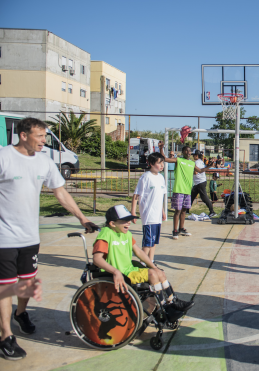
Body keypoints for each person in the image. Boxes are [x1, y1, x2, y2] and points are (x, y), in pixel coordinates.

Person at [0, 117, 97, 360]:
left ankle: (20, 314)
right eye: (40, 136)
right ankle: (5, 336)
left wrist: (82, 218)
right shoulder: (4, 157)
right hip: (4, 237)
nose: (45, 141)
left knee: (27, 281)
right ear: (24, 136)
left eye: (45, 136)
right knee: (5, 286)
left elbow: (60, 192)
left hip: (30, 236)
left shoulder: (44, 161)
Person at [93, 205, 194, 316]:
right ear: (112, 223)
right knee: (152, 274)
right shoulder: (106, 234)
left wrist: (154, 266)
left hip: (129, 270)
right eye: (125, 221)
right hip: (117, 274)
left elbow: (139, 252)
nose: (129, 222)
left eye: (129, 220)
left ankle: (173, 301)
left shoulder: (127, 234)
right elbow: (97, 259)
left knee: (159, 272)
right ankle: (164, 309)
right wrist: (116, 272)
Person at [162, 146, 211, 240]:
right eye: (186, 150)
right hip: (179, 190)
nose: (188, 152)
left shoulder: (192, 163)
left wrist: (209, 166)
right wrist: (161, 149)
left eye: (189, 151)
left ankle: (181, 228)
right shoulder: (178, 160)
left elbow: (200, 171)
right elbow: (164, 159)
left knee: (184, 211)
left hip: (188, 191)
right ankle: (175, 230)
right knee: (178, 211)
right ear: (183, 152)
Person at [131, 152, 167, 266]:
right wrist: (133, 212)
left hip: (157, 215)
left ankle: (150, 261)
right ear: (151, 164)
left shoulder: (161, 177)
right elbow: (136, 195)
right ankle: (142, 262)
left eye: (163, 163)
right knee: (148, 241)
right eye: (159, 163)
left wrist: (162, 211)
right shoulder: (145, 177)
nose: (162, 165)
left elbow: (160, 197)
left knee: (154, 240)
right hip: (149, 214)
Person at [190, 150, 216, 217]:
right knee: (191, 196)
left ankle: (212, 211)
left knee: (204, 198)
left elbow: (196, 172)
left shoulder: (197, 162)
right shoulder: (201, 161)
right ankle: (186, 210)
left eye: (194, 155)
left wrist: (189, 172)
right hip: (199, 182)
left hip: (200, 182)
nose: (193, 156)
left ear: (196, 155)